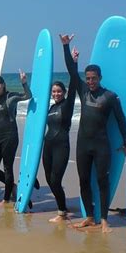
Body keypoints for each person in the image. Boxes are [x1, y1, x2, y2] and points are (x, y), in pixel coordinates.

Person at [61, 34, 126, 233]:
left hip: (101, 146)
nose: (90, 81)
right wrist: (66, 46)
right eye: (88, 78)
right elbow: (71, 71)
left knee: (101, 181)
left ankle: (105, 219)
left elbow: (120, 120)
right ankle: (90, 217)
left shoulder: (109, 96)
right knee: (83, 181)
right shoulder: (83, 91)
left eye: (94, 78)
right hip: (83, 144)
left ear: (100, 78)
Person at [43, 38, 79, 222]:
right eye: (53, 91)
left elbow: (74, 80)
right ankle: (62, 204)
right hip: (47, 146)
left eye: (59, 91)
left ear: (64, 93)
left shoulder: (67, 105)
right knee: (50, 180)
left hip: (61, 147)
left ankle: (61, 212)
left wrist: (72, 58)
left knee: (55, 180)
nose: (56, 94)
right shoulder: (50, 108)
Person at [0, 71, 32, 204]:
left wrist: (24, 82)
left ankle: (6, 199)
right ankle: (11, 186)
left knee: (8, 167)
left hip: (10, 135)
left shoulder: (11, 96)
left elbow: (27, 96)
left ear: (3, 84)